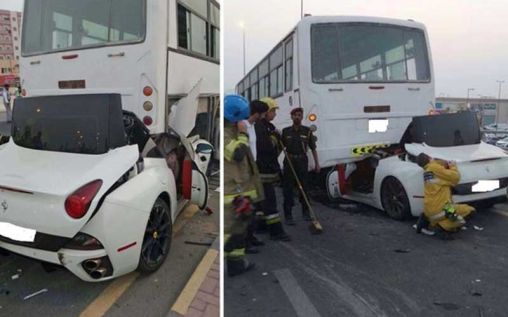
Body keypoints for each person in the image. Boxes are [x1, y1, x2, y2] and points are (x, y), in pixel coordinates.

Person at [224, 94, 263, 277]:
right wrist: (242, 134)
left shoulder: (231, 130)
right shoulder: (226, 134)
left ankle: (236, 264)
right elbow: (238, 154)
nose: (242, 121)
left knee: (239, 230)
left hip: (239, 190)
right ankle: (230, 261)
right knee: (230, 232)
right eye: (240, 118)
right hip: (230, 193)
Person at [254, 97, 291, 241]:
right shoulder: (261, 128)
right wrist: (276, 138)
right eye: (273, 111)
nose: (275, 114)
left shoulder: (266, 126)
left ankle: (261, 225)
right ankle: (276, 232)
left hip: (263, 170)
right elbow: (267, 147)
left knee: (261, 201)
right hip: (264, 170)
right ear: (266, 111)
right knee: (270, 201)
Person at [415, 153, 475, 237]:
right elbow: (455, 177)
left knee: (453, 214)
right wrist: (453, 166)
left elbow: (439, 165)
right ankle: (442, 227)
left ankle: (428, 223)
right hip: (444, 209)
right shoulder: (434, 168)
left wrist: (445, 161)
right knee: (469, 211)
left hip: (429, 210)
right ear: (429, 158)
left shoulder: (427, 171)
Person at [238, 100, 269, 253]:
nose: (263, 117)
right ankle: (245, 242)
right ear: (257, 113)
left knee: (253, 205)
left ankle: (251, 237)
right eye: (262, 114)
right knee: (246, 206)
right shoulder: (242, 126)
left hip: (253, 169)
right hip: (244, 171)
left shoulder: (252, 126)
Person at [282, 107, 320, 224]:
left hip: (302, 161)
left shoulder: (307, 131)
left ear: (302, 117)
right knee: (287, 189)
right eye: (295, 115)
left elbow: (313, 148)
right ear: (291, 116)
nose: (297, 117)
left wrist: (317, 164)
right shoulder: (286, 131)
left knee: (304, 188)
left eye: (299, 115)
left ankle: (306, 212)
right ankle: (288, 215)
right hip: (289, 161)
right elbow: (281, 147)